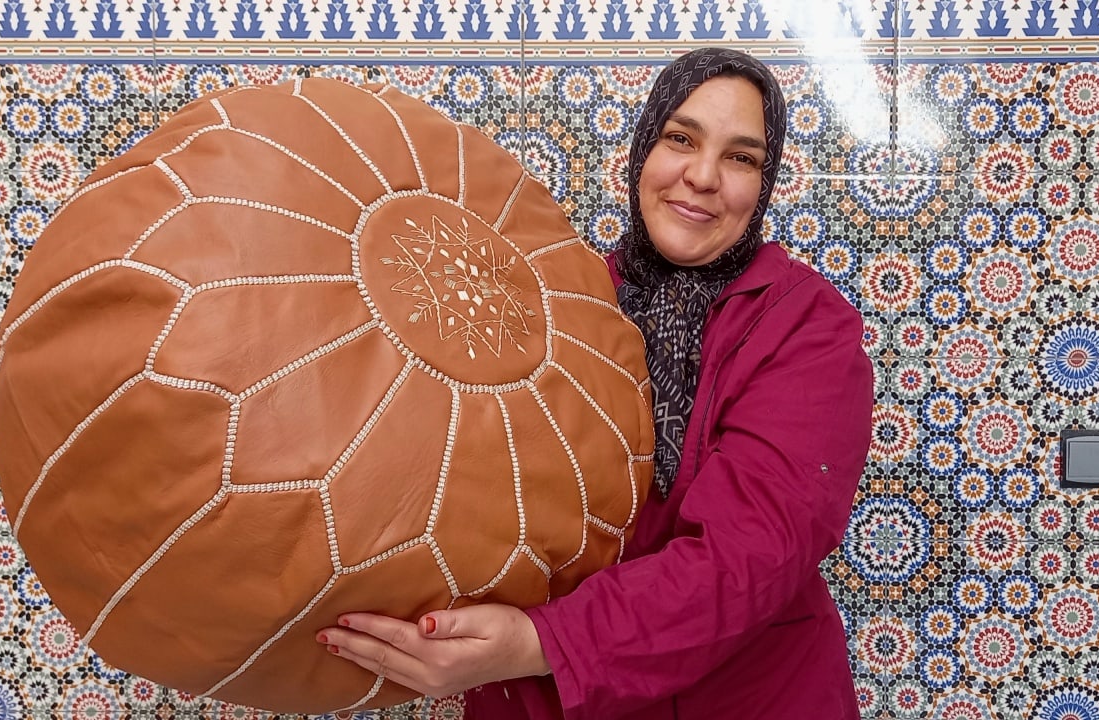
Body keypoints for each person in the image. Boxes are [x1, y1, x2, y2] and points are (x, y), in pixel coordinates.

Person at [315, 47, 875, 719]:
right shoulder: (556, 300)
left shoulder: (807, 326)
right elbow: (458, 479)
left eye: (741, 158)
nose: (702, 176)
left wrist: (539, 642)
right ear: (643, 150)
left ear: (766, 181)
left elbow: (749, 555)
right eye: (681, 138)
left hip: (749, 696)